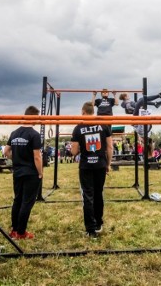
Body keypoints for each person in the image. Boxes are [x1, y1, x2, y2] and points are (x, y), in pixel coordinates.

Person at [70, 102, 113, 238]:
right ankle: (98, 223)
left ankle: (91, 229)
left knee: (88, 196)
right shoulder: (103, 124)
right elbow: (110, 147)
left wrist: (75, 150)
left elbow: (74, 151)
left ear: (83, 112)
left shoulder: (78, 128)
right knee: (98, 193)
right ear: (93, 111)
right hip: (100, 164)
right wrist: (108, 164)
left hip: (86, 166)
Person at [4, 106, 43, 240]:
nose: (38, 121)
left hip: (18, 171)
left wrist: (16, 159)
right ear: (33, 117)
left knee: (18, 200)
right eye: (37, 118)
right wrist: (40, 173)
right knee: (27, 202)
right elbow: (37, 156)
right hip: (31, 172)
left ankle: (14, 230)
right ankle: (21, 233)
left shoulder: (14, 133)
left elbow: (6, 152)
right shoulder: (34, 134)